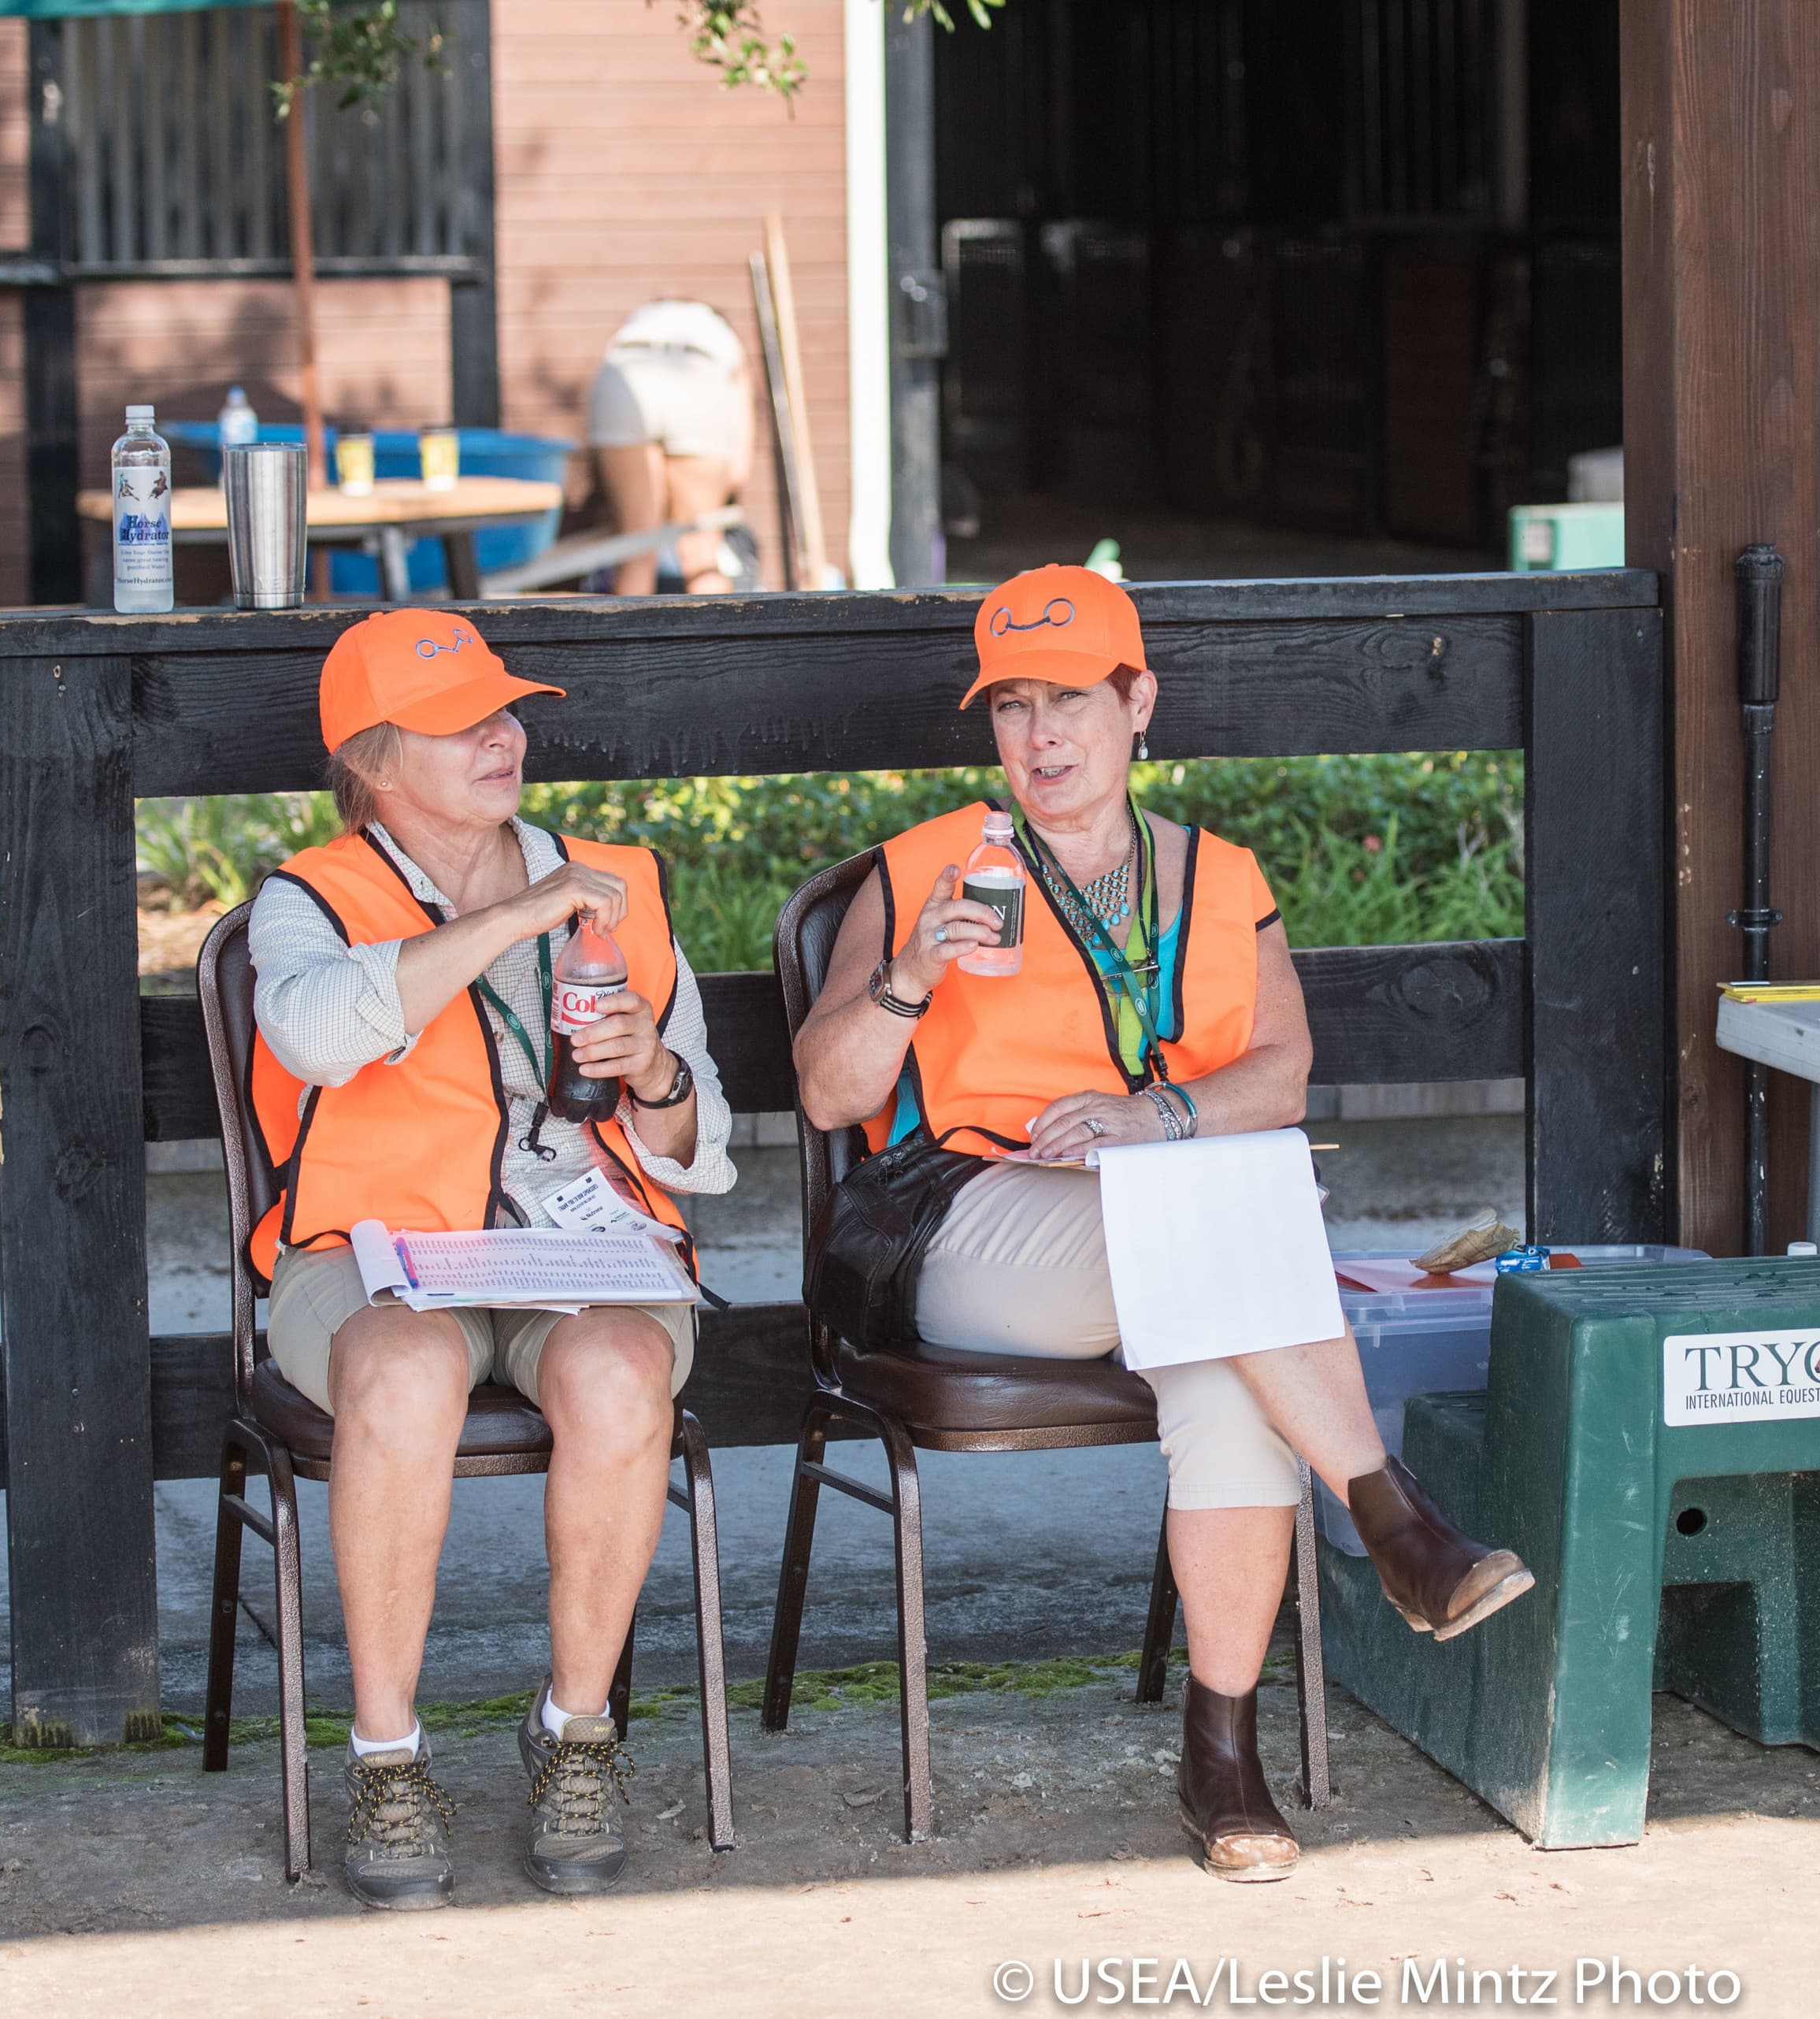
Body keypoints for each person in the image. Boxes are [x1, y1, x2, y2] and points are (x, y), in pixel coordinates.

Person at [793, 564, 1536, 1884]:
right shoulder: (925, 868)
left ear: (1139, 701)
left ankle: (1224, 1757)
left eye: (1071, 699)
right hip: (961, 1229)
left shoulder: (1219, 875)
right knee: (1236, 1245)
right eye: (1012, 705)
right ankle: (1396, 1520)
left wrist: (1156, 1116)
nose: (1041, 736)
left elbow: (1280, 1072)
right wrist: (909, 975)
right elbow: (827, 1092)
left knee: (1231, 1379)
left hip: (1172, 1236)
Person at [248, 609, 737, 1910]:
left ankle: (576, 1733)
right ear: (372, 761)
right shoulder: (310, 896)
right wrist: (510, 915)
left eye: (506, 710)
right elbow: (316, 1034)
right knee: (404, 1374)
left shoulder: (613, 882)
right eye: (460, 721)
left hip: (581, 1253)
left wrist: (656, 1069)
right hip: (373, 1255)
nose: (503, 735)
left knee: (624, 1376)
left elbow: (703, 1147)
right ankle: (387, 1757)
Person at [586, 299, 753, 596]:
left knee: (636, 551)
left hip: (626, 376)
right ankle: (716, 629)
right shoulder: (723, 338)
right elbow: (738, 472)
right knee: (701, 553)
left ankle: (631, 629)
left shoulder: (638, 323)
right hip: (698, 373)